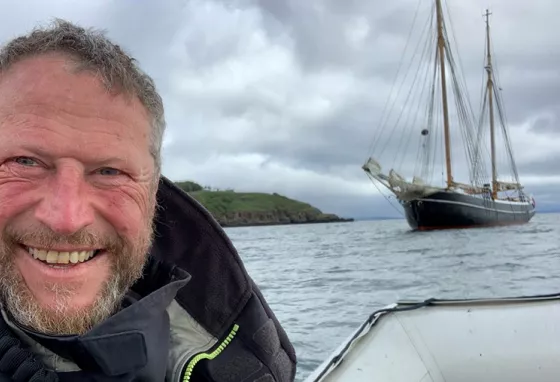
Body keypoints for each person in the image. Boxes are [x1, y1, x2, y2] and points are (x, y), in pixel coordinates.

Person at [0, 19, 297, 382]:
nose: (66, 218)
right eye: (24, 162)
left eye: (110, 172)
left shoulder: (241, 356)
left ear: (154, 194)